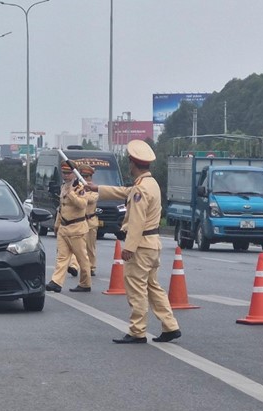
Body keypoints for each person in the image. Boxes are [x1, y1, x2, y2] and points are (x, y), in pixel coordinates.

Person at [86, 139, 181, 344]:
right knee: (153, 287)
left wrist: (129, 248)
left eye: (129, 163)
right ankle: (170, 325)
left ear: (133, 163)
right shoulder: (150, 184)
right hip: (152, 244)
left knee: (136, 289)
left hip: (141, 246)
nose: (129, 166)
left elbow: (136, 221)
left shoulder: (140, 189)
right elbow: (124, 192)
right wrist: (97, 188)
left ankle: (137, 331)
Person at [45, 162, 92, 293]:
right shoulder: (63, 187)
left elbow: (83, 204)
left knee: (82, 258)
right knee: (62, 257)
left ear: (74, 173)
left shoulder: (79, 188)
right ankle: (56, 282)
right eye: (64, 173)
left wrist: (71, 193)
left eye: (68, 173)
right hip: (64, 228)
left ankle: (85, 283)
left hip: (77, 228)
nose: (65, 175)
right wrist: (57, 224)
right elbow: (62, 208)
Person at [68, 163, 99, 278]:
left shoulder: (93, 190)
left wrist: (83, 191)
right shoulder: (77, 189)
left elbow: (90, 200)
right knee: (76, 246)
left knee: (89, 247)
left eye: (87, 177)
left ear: (91, 177)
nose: (85, 179)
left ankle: (91, 267)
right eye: (83, 176)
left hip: (90, 221)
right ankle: (74, 266)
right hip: (79, 222)